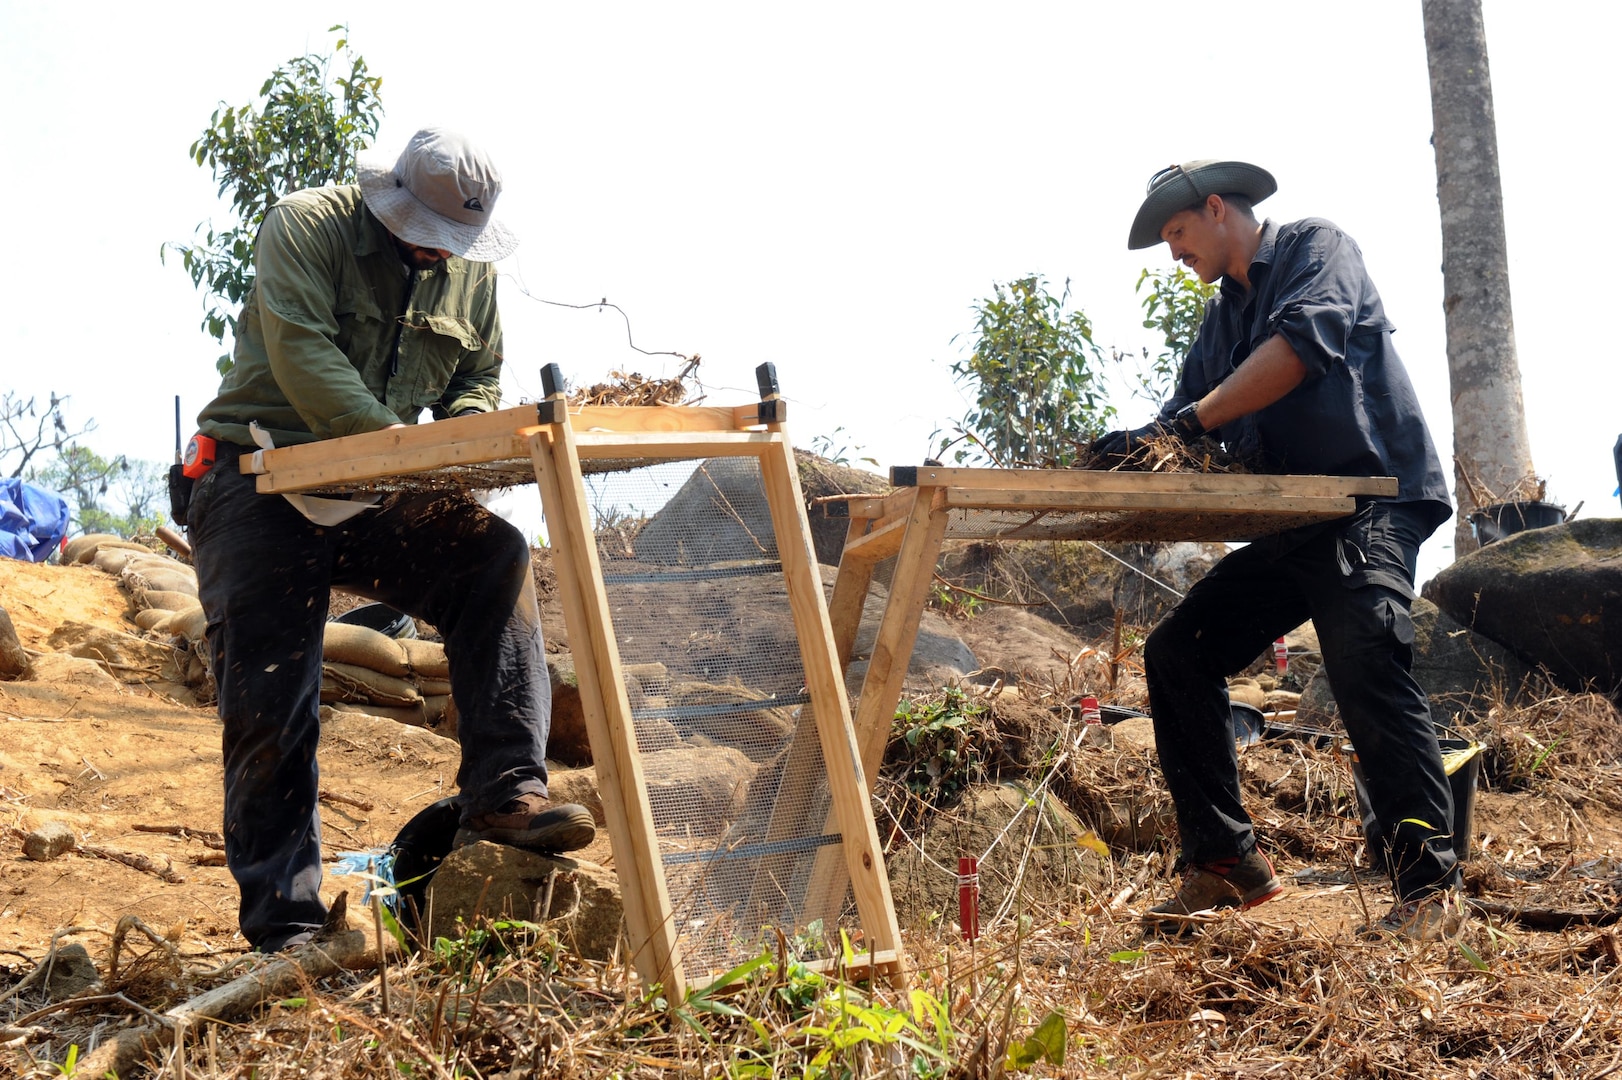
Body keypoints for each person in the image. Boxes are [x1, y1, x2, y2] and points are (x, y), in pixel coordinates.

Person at [188, 127, 595, 953]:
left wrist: (464, 440)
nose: (434, 253)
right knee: (274, 703)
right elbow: (303, 354)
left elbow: (475, 378)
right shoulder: (305, 225)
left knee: (493, 559)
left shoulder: (469, 274)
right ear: (388, 198)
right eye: (421, 233)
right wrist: (406, 456)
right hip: (260, 481)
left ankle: (504, 791)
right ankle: (287, 925)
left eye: (451, 244)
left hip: (380, 483)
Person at [1092, 160, 1464, 940]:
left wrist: (1187, 424)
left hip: (1370, 504)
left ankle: (1431, 894)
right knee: (1179, 652)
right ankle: (1226, 864)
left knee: (1363, 654)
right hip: (1294, 525)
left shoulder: (1316, 248)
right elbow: (1182, 420)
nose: (1175, 254)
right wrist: (1130, 453)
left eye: (1178, 233)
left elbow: (1295, 350)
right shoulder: (1222, 320)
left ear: (1218, 209)